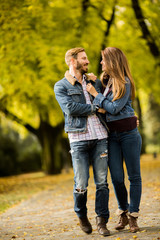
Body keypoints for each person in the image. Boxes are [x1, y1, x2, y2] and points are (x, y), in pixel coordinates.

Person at [54, 47, 110, 236]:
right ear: (72, 61)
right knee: (81, 183)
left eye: (87, 58)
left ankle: (102, 221)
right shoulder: (61, 86)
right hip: (78, 139)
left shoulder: (94, 81)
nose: (87, 61)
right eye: (83, 59)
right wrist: (94, 108)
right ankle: (82, 215)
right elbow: (70, 108)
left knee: (102, 182)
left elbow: (107, 102)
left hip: (100, 136)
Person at [86, 47, 142, 233]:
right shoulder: (105, 81)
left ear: (112, 61)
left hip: (129, 134)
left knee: (134, 177)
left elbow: (115, 108)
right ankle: (123, 213)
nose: (101, 63)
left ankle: (133, 216)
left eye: (103, 60)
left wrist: (96, 95)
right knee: (117, 178)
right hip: (112, 136)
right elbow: (103, 106)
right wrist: (99, 95)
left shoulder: (125, 82)